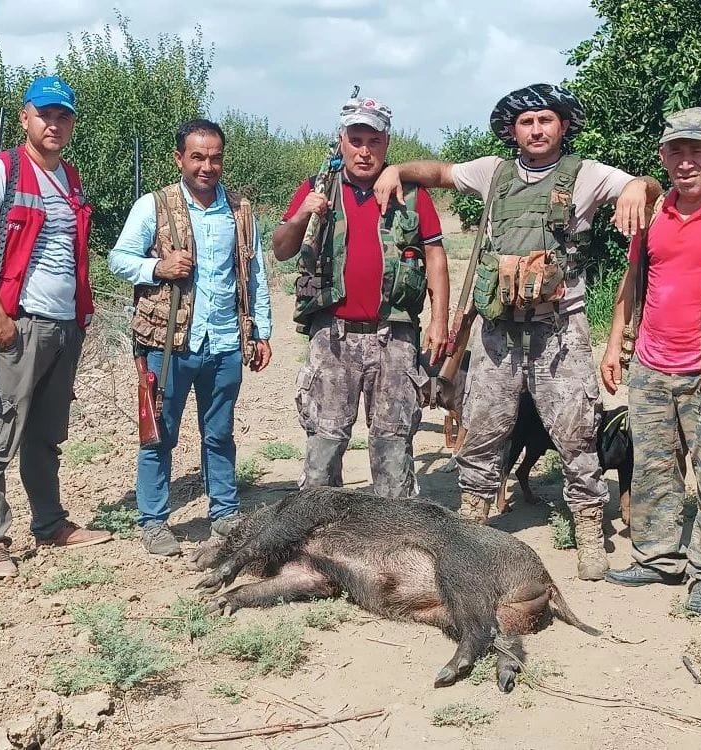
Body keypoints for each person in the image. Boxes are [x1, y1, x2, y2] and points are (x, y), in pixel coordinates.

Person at [374, 83, 661, 580]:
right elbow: (439, 173)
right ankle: (473, 528)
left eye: (545, 120)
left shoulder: (587, 175)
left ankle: (590, 533)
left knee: (577, 433)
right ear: (513, 130)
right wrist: (397, 170)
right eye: (526, 122)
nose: (536, 129)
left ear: (563, 126)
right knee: (483, 430)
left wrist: (641, 185)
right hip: (496, 333)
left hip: (560, 332)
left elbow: (648, 187)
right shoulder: (494, 172)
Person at [0, 75, 111, 578]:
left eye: (64, 115)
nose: (54, 123)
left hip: (63, 327)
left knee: (46, 435)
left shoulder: (70, 178)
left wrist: (80, 318)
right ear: (25, 116)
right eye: (45, 114)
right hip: (17, 324)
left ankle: (50, 525)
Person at [109, 119, 272, 557]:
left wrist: (261, 331)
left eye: (215, 157)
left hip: (223, 343)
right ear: (179, 158)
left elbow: (253, 273)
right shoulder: (153, 206)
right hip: (166, 346)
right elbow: (118, 259)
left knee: (219, 433)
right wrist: (156, 268)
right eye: (197, 157)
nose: (207, 166)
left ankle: (225, 512)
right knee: (158, 433)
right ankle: (154, 520)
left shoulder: (241, 210)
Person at [272, 96, 448, 499]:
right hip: (332, 336)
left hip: (395, 336)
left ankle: (394, 533)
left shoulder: (413, 194)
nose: (364, 151)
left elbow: (436, 258)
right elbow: (281, 249)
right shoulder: (317, 187)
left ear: (387, 143)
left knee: (393, 440)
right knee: (326, 439)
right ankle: (315, 535)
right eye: (356, 140)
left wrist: (440, 320)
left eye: (374, 140)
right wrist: (304, 213)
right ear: (341, 140)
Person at [601, 107, 701, 613]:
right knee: (652, 467)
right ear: (664, 157)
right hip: (650, 364)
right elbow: (632, 283)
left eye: (698, 150)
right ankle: (656, 557)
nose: (686, 161)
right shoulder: (653, 213)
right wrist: (615, 344)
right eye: (677, 151)